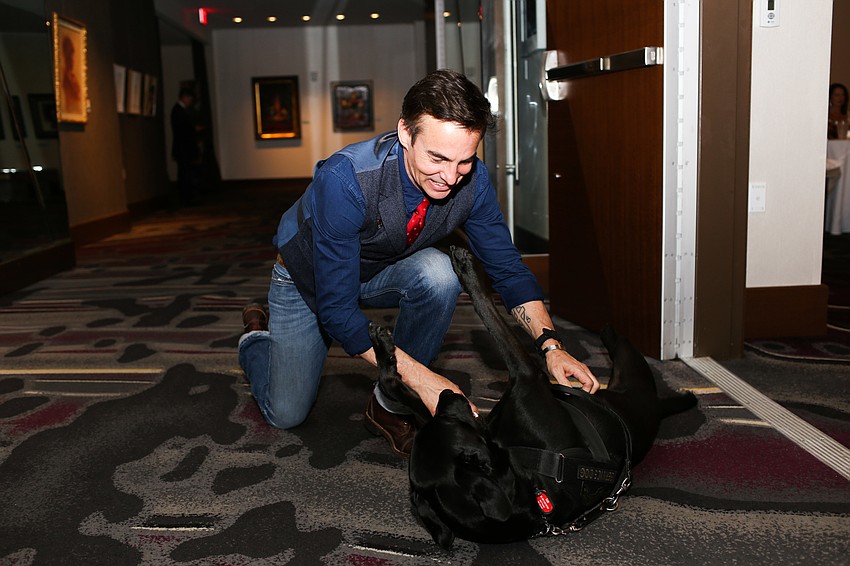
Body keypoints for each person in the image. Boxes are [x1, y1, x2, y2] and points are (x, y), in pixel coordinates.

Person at [238, 70, 599, 457]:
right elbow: (337, 309)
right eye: (438, 158)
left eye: (464, 160)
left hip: (380, 267)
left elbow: (507, 268)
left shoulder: (471, 180)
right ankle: (256, 338)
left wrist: (550, 346)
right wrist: (425, 381)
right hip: (305, 276)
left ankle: (387, 405)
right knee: (286, 413)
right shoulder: (345, 180)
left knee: (441, 274)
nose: (449, 177)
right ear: (405, 134)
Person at [170, 87, 201, 206]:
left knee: (187, 173)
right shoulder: (177, 110)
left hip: (185, 148)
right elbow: (182, 130)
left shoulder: (182, 110)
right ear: (184, 97)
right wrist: (193, 129)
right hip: (182, 148)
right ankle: (185, 198)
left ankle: (188, 197)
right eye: (189, 99)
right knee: (184, 173)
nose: (190, 102)